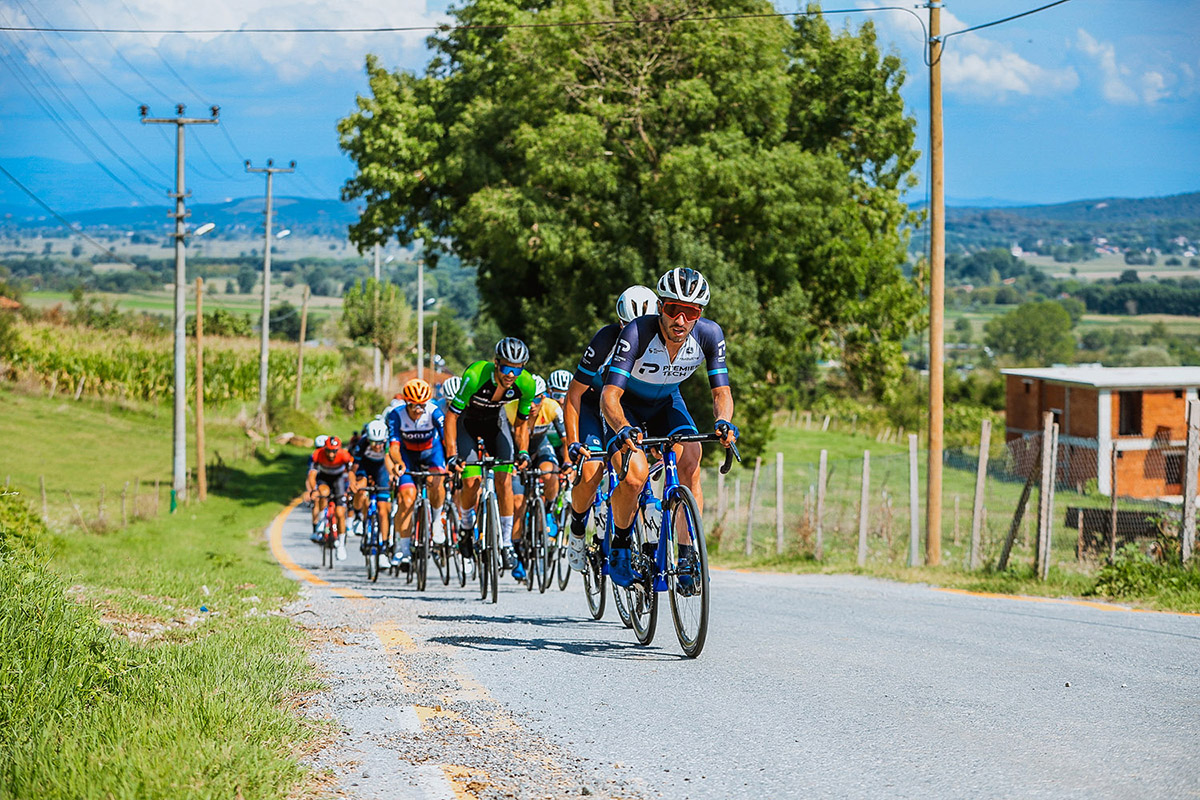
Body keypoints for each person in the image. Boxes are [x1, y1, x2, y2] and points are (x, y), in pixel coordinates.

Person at [601, 268, 738, 589]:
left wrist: (724, 421)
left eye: (690, 312)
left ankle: (688, 555)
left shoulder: (710, 334)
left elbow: (722, 393)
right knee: (634, 476)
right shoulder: (636, 332)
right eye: (673, 309)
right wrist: (622, 427)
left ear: (699, 314)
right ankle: (620, 545)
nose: (681, 320)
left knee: (692, 456)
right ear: (660, 307)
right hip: (628, 406)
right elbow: (610, 395)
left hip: (667, 404)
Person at [562, 284, 658, 571]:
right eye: (629, 326)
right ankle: (578, 529)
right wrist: (573, 442)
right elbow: (574, 394)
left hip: (630, 406)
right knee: (592, 472)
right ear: (620, 323)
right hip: (595, 405)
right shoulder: (606, 340)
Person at [444, 337, 537, 572]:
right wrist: (452, 455)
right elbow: (452, 416)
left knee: (505, 480)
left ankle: (506, 544)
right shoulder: (475, 375)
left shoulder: (526, 384)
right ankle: (466, 529)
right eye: (506, 367)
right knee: (471, 481)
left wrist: (523, 451)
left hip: (496, 423)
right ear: (496, 363)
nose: (511, 374)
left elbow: (521, 424)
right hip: (468, 424)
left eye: (518, 368)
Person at [506, 373, 567, 582]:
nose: (532, 404)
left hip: (539, 448)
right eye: (528, 398)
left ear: (544, 397)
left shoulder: (551, 407)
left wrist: (567, 463)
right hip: (516, 452)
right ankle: (517, 555)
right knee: (517, 503)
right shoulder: (511, 409)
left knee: (551, 472)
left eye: (537, 398)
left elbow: (565, 439)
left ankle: (548, 510)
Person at [386, 378, 449, 571]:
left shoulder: (434, 411)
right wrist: (398, 464)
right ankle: (403, 549)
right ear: (406, 403)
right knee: (407, 498)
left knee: (436, 480)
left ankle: (437, 521)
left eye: (422, 405)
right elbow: (394, 447)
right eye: (415, 406)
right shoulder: (396, 415)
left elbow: (447, 438)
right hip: (407, 455)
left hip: (432, 452)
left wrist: (451, 461)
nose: (419, 410)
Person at [349, 420, 395, 558]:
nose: (377, 446)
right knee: (361, 488)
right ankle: (361, 516)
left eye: (380, 443)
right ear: (368, 439)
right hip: (365, 467)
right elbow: (353, 469)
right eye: (374, 443)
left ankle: (384, 546)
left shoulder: (387, 444)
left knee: (383, 510)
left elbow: (388, 460)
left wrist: (392, 475)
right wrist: (353, 483)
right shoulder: (362, 444)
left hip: (382, 469)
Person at [307, 436, 355, 561]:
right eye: (329, 450)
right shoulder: (318, 454)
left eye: (334, 451)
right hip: (324, 478)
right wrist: (313, 490)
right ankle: (322, 521)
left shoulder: (344, 455)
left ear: (338, 449)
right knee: (323, 493)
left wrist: (351, 487)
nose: (332, 454)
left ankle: (341, 544)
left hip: (338, 479)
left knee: (340, 513)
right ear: (325, 449)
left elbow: (351, 472)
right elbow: (312, 475)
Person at [307, 434, 328, 540]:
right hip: (319, 479)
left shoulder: (332, 455)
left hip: (330, 478)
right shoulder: (314, 457)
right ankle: (316, 527)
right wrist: (312, 490)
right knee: (316, 501)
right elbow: (310, 476)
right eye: (318, 448)